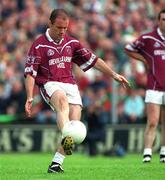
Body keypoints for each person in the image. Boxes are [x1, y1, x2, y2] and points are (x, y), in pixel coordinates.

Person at [24, 9, 130, 173]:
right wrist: (30, 97)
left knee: (75, 128)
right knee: (62, 101)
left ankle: (56, 164)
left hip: (70, 84)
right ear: (50, 23)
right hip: (50, 83)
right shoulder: (39, 45)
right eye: (59, 27)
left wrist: (114, 75)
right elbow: (30, 73)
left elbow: (94, 60)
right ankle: (66, 138)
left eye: (65, 28)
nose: (62, 31)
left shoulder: (72, 43)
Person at [125, 9, 165, 163]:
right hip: (154, 85)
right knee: (153, 121)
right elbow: (129, 49)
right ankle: (147, 154)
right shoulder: (148, 38)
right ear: (158, 21)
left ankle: (163, 153)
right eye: (163, 19)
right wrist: (144, 59)